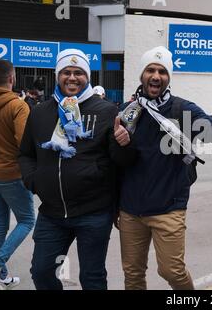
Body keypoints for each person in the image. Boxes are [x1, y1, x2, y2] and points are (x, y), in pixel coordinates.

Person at [18, 49, 131, 290]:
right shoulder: (39, 112)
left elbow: (119, 162)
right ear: (58, 75)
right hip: (52, 213)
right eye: (66, 72)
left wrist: (124, 145)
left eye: (78, 72)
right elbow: (26, 154)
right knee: (41, 272)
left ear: (87, 76)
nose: (72, 77)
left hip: (94, 212)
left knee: (92, 277)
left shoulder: (106, 111)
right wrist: (33, 180)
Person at [116, 46, 212, 290]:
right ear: (142, 75)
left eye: (162, 71)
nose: (156, 75)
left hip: (168, 208)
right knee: (133, 275)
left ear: (168, 77)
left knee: (173, 271)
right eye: (150, 69)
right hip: (130, 210)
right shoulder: (126, 112)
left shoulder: (182, 109)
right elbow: (115, 162)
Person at [0, 60, 35, 290]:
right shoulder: (18, 106)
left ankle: (0, 276)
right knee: (27, 220)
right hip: (11, 174)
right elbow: (24, 142)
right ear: (12, 78)